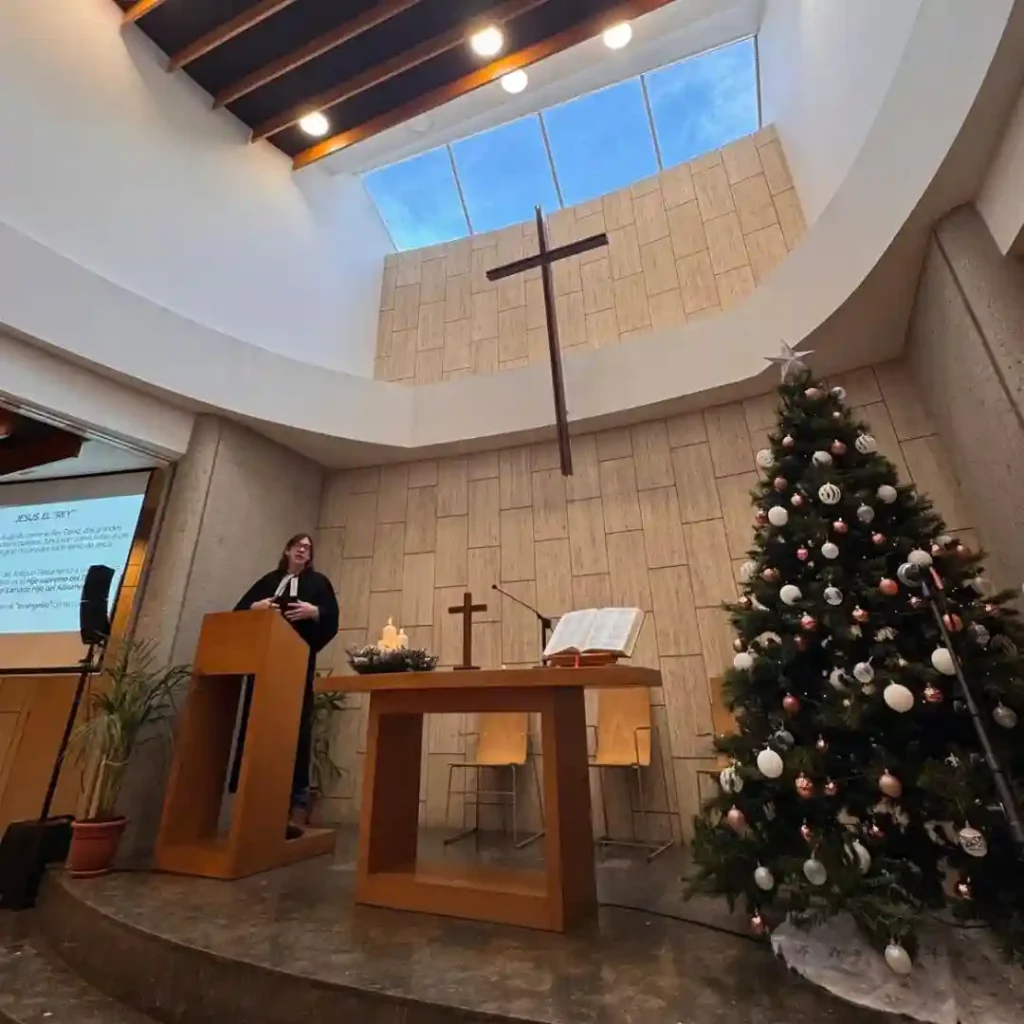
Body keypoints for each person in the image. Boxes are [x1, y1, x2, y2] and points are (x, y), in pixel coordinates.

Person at [229, 533, 339, 835]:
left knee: (296, 731)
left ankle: (296, 805)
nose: (303, 550)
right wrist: (257, 608)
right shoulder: (268, 580)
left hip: (296, 663)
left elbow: (332, 617)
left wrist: (313, 611)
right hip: (263, 665)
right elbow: (239, 611)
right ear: (287, 550)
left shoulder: (318, 583)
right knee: (256, 728)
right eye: (299, 546)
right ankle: (253, 806)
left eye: (308, 548)